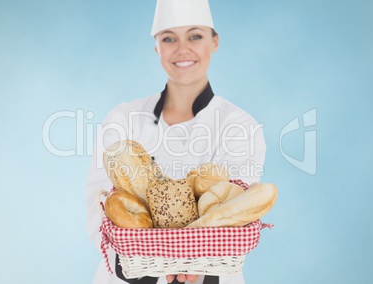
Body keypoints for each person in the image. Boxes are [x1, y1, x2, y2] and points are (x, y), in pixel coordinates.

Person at [86, 0, 266, 283]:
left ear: (215, 42)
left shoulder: (240, 126)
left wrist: (196, 267)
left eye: (195, 36)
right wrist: (145, 264)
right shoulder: (122, 118)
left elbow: (234, 214)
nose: (182, 49)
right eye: (169, 38)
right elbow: (99, 208)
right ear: (156, 46)